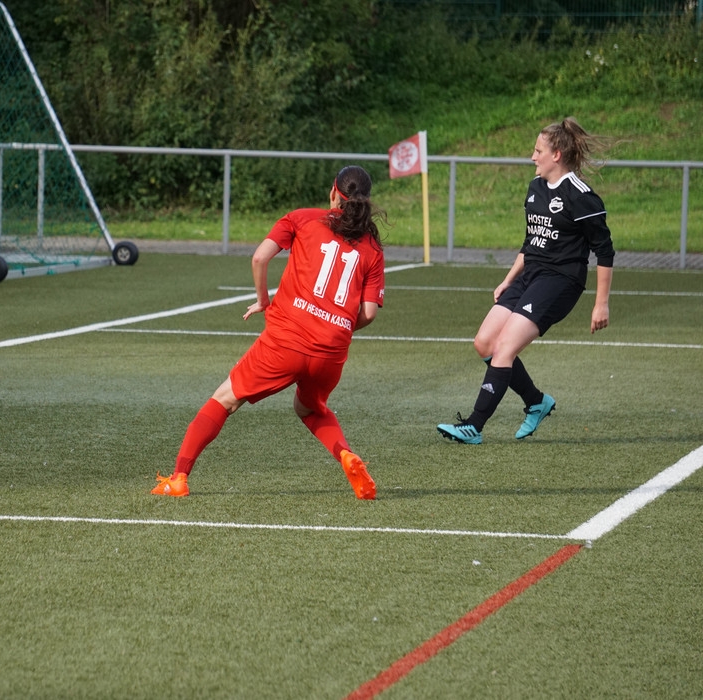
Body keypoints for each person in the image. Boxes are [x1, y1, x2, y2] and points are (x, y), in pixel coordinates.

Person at [152, 165, 386, 500]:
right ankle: (346, 455)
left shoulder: (303, 218)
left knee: (224, 399)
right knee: (310, 409)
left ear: (334, 191)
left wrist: (263, 300)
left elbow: (260, 258)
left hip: (286, 342)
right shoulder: (373, 247)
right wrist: (339, 325)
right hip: (331, 353)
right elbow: (369, 313)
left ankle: (178, 478)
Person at [437, 117, 614, 444]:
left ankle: (474, 426)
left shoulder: (581, 196)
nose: (533, 157)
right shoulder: (535, 188)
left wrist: (600, 304)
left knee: (504, 347)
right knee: (484, 343)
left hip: (561, 281)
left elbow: (604, 250)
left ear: (556, 155)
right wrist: (508, 280)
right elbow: (531, 241)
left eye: (538, 151)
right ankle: (536, 401)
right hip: (530, 275)